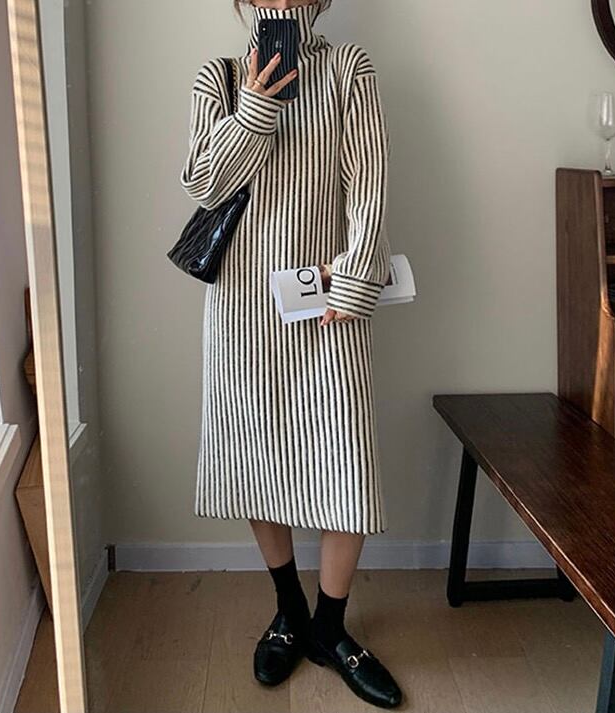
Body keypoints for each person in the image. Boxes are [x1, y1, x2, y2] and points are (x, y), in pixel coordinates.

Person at [179, 0, 401, 707]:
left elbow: (370, 184)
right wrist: (255, 104)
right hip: (241, 308)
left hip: (326, 299)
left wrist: (358, 279)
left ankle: (331, 627)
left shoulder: (348, 69)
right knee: (254, 455)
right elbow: (203, 184)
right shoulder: (217, 77)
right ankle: (290, 611)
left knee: (346, 459)